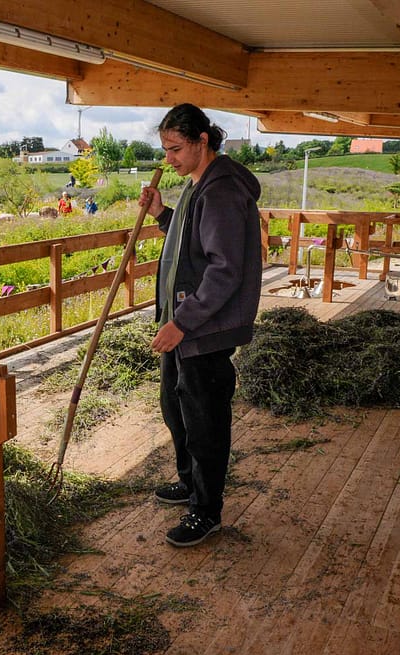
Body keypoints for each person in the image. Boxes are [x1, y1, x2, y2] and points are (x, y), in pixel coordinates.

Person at [140, 103, 262, 548]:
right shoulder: (198, 187)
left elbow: (224, 270)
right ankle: (191, 483)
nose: (167, 158)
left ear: (202, 140)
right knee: (177, 411)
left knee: (205, 420)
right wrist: (160, 213)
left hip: (203, 329)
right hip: (185, 325)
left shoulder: (223, 191)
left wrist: (182, 323)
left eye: (175, 148)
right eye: (165, 149)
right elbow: (191, 239)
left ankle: (206, 511)